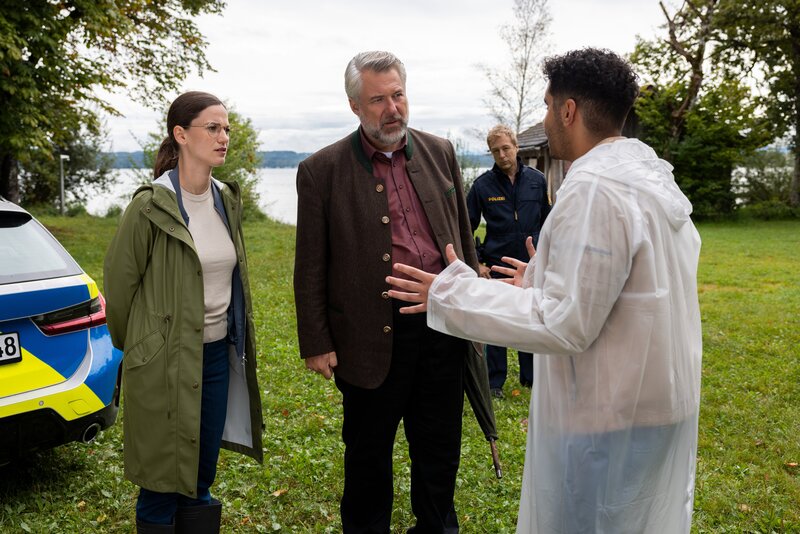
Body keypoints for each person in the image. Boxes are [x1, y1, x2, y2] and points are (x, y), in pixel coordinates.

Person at [387, 48, 702, 533]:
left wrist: (451, 294)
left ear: (568, 110)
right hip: (660, 398)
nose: (544, 118)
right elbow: (630, 286)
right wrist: (542, 276)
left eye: (547, 106)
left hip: (610, 411)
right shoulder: (648, 179)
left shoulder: (594, 186)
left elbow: (564, 321)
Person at [293, 50, 479, 533]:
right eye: (378, 99)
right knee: (368, 457)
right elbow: (310, 264)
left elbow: (461, 234)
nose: (392, 108)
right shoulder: (321, 170)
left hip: (442, 325)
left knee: (439, 450)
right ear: (355, 105)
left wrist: (476, 307)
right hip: (369, 336)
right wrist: (317, 341)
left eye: (398, 95)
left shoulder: (441, 152)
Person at [104, 91, 264, 534]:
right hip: (162, 361)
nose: (224, 137)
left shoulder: (226, 200)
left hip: (215, 358)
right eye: (212, 127)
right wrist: (143, 351)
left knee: (199, 479)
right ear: (181, 135)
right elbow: (119, 292)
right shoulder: (148, 206)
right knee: (160, 484)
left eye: (226, 128)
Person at [466, 125, 550, 398]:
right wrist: (478, 263)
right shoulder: (481, 186)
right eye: (495, 151)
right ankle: (494, 382)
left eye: (505, 148)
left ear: (516, 146)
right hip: (497, 264)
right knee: (498, 322)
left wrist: (546, 258)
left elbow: (549, 223)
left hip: (530, 264)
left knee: (529, 318)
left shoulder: (537, 180)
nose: (502, 155)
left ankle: (531, 377)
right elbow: (466, 228)